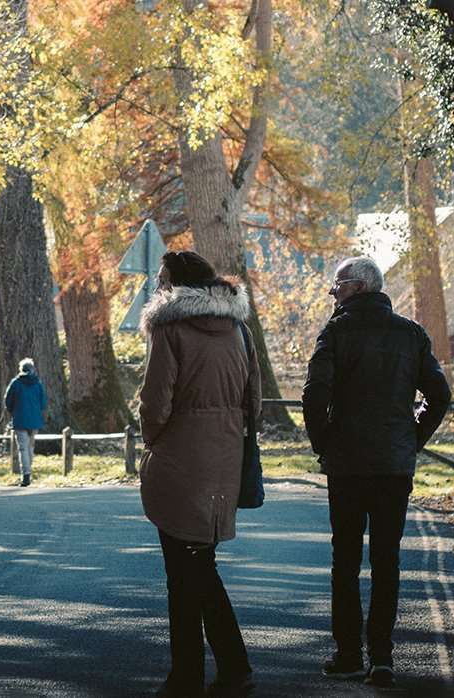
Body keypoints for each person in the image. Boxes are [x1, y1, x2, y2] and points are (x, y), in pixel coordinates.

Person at [301, 256, 451, 688]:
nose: (333, 293)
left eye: (337, 285)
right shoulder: (411, 334)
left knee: (344, 561)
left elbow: (314, 395)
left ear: (359, 286)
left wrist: (324, 443)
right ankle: (381, 658)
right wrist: (411, 438)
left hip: (346, 466)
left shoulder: (335, 333)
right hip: (392, 465)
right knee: (387, 561)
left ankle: (348, 655)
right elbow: (439, 396)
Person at [138, 250, 262, 698]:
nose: (157, 287)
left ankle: (190, 675)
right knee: (200, 565)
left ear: (177, 285)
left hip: (178, 460)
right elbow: (256, 400)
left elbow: (155, 404)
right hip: (224, 457)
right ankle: (229, 669)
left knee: (184, 572)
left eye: (161, 279)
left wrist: (154, 442)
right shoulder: (239, 330)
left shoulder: (169, 329)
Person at [4, 358, 46, 487]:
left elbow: (8, 401)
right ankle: (28, 472)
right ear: (32, 369)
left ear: (21, 369)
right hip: (34, 420)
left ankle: (26, 475)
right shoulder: (38, 383)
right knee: (30, 447)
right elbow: (43, 403)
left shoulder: (16, 383)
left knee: (23, 448)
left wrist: (13, 411)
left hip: (20, 419)